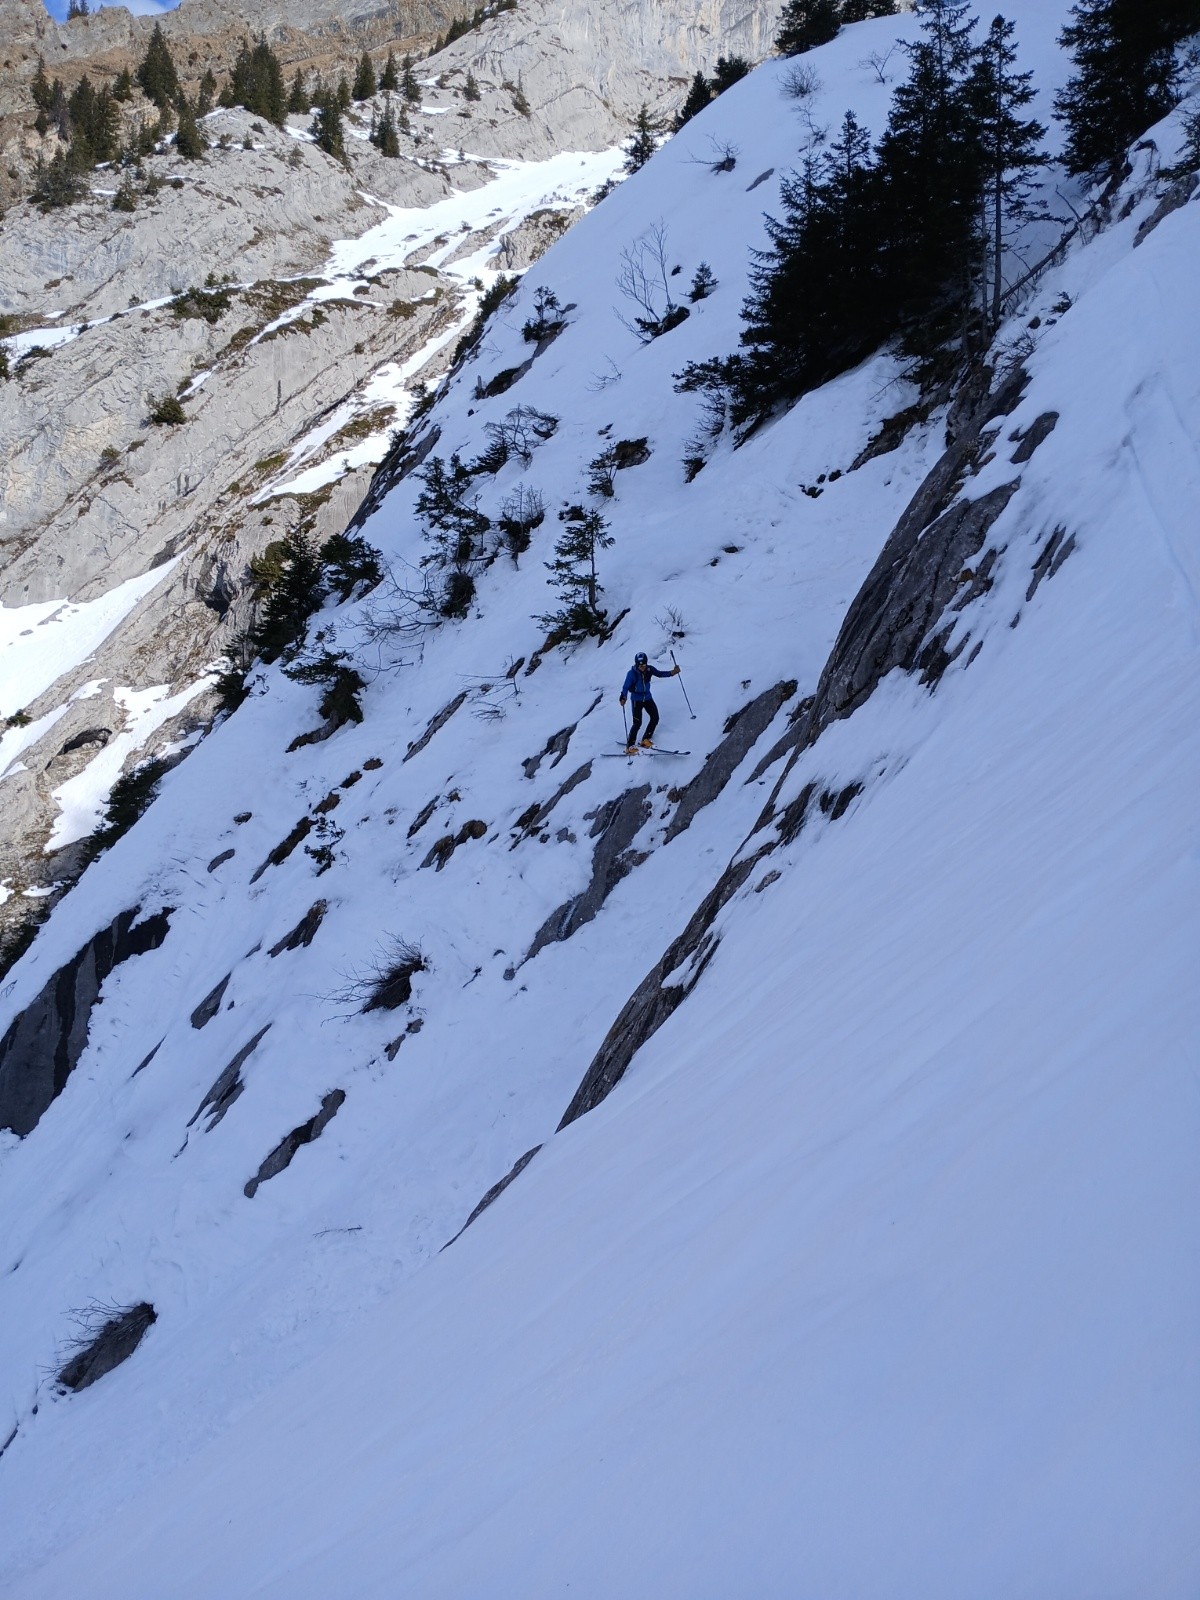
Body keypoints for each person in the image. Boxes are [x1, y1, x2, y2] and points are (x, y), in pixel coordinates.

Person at [619, 650, 680, 752]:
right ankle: (630, 746)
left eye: (644, 665)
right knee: (637, 723)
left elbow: (660, 674)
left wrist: (672, 672)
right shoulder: (631, 674)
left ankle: (646, 739)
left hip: (647, 698)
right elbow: (625, 687)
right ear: (636, 664)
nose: (642, 667)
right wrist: (623, 697)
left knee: (655, 717)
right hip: (636, 700)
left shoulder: (649, 669)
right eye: (640, 665)